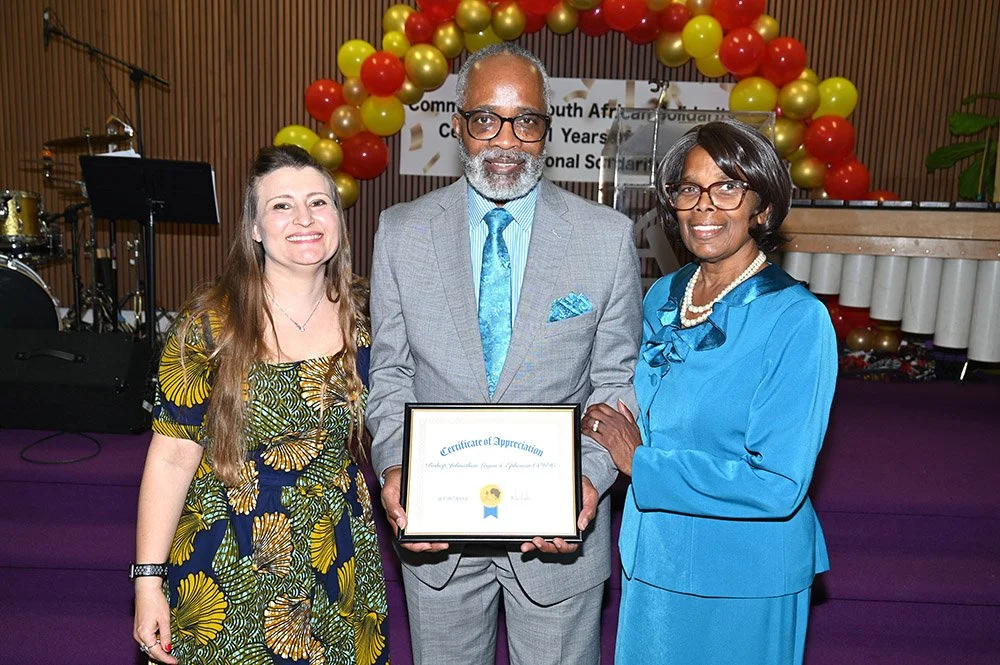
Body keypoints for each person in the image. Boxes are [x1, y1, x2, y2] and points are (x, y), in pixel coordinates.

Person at [367, 42, 641, 665]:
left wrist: (591, 478)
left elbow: (615, 382)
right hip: (436, 539)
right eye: (486, 119)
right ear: (459, 125)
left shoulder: (604, 237)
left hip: (557, 534)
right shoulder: (401, 232)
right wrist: (392, 467)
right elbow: (390, 374)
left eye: (526, 122)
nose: (506, 141)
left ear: (547, 129)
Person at [583, 119, 837, 665]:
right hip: (655, 559)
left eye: (727, 188)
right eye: (689, 189)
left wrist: (642, 463)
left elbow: (777, 484)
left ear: (762, 207)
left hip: (743, 575)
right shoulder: (663, 298)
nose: (704, 206)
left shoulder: (797, 320)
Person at [132, 146, 390, 665]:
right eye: (281, 206)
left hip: (335, 549)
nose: (304, 219)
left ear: (338, 219)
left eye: (319, 203)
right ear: (254, 227)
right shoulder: (209, 322)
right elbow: (171, 457)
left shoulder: (371, 315)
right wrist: (146, 581)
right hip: (228, 551)